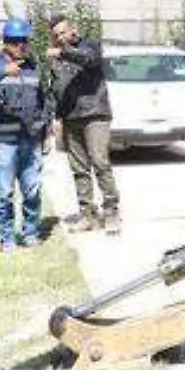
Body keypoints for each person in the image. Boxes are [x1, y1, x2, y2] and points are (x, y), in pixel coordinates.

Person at [0, 18, 53, 253]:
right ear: (7, 42)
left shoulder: (32, 66)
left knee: (32, 189)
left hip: (30, 139)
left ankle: (30, 232)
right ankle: (6, 237)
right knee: (5, 192)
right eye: (17, 42)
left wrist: (46, 130)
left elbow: (43, 100)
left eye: (24, 41)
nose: (22, 46)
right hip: (4, 141)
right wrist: (3, 71)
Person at [46, 17, 121, 235]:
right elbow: (56, 87)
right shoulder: (56, 57)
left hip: (95, 114)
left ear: (73, 29)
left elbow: (90, 60)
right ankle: (88, 215)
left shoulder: (90, 45)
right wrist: (55, 117)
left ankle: (111, 212)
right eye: (56, 35)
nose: (60, 38)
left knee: (100, 162)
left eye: (63, 32)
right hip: (71, 118)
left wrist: (63, 52)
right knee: (79, 169)